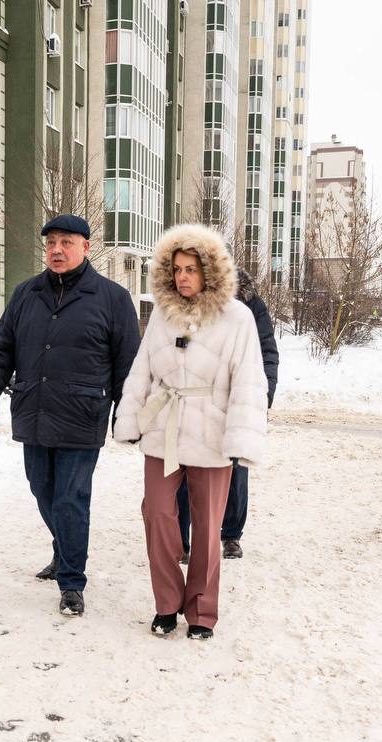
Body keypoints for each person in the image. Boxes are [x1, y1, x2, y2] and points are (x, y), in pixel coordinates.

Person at [0, 214, 140, 617]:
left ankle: (71, 582)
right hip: (34, 410)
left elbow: (128, 364)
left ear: (85, 247)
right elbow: (1, 349)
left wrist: (128, 415)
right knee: (42, 489)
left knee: (71, 499)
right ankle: (64, 548)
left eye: (66, 242)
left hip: (83, 414)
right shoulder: (26, 293)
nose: (57, 250)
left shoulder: (112, 298)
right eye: (51, 243)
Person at [112, 224, 267, 640]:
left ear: (210, 271)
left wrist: (241, 437)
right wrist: (130, 418)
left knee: (208, 526)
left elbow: (249, 380)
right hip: (164, 428)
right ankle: (166, 603)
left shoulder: (237, 317)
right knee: (157, 513)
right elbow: (142, 369)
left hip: (212, 433)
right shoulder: (162, 315)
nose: (182, 277)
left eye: (191, 269)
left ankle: (201, 610)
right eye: (177, 269)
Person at [176, 267, 278, 562]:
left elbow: (267, 352)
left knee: (235, 468)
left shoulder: (251, 305)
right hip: (194, 398)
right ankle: (181, 540)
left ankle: (231, 534)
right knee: (184, 469)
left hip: (235, 399)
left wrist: (263, 395)